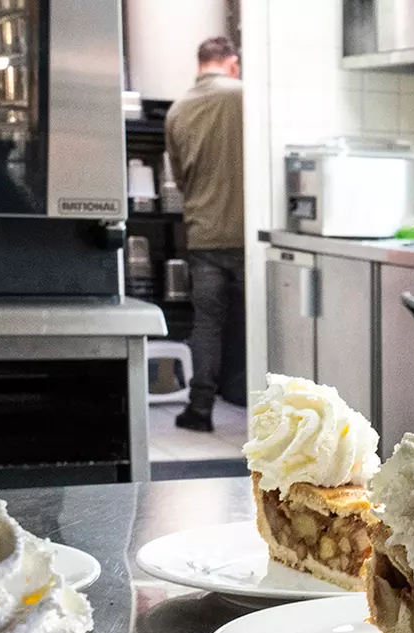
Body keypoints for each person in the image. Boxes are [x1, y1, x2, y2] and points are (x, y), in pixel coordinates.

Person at [166, 36, 247, 432]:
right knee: (259, 321)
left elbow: (180, 178)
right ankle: (271, 417)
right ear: (232, 63)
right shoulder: (246, 97)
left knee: (207, 324)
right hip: (250, 233)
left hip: (204, 234)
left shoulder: (178, 110)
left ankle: (199, 409)